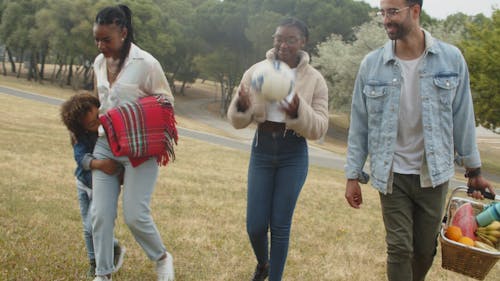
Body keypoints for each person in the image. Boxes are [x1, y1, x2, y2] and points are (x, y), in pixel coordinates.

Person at [344, 1, 494, 280]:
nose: (386, 19)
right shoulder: (372, 64)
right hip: (392, 174)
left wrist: (474, 172)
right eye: (383, 12)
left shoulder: (451, 59)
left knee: (424, 251)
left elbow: (463, 117)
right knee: (399, 248)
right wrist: (353, 174)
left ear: (415, 10)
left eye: (393, 12)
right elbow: (359, 124)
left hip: (433, 174)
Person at [227, 18, 329, 281]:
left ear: (303, 42)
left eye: (291, 39)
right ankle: (263, 264)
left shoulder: (315, 80)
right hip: (262, 149)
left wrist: (298, 110)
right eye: (279, 38)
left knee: (280, 226)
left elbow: (319, 128)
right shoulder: (256, 70)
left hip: (293, 153)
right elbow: (237, 121)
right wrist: (242, 103)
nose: (283, 45)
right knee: (256, 226)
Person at [91, 5, 175, 281]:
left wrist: (135, 118)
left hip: (139, 148)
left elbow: (166, 103)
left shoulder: (147, 64)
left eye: (107, 39)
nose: (101, 46)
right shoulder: (99, 63)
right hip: (105, 144)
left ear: (123, 33)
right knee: (100, 216)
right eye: (97, 39)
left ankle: (162, 258)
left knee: (135, 216)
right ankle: (103, 274)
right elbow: (100, 103)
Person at [60, 93, 126, 279]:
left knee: (92, 225)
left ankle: (107, 251)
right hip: (84, 184)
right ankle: (96, 260)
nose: (98, 122)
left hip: (103, 187)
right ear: (81, 127)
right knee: (87, 228)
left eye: (98, 116)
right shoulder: (79, 136)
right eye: (91, 124)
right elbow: (81, 158)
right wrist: (100, 164)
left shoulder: (108, 127)